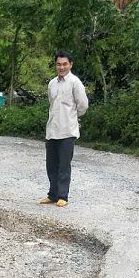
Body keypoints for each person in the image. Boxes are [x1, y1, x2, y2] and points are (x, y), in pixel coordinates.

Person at [40, 51, 89, 208]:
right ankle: (52, 194)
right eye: (59, 64)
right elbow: (51, 103)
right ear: (56, 65)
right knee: (51, 165)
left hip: (67, 130)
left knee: (63, 165)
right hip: (52, 130)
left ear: (70, 64)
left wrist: (74, 117)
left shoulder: (75, 82)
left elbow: (83, 105)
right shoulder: (52, 83)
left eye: (64, 64)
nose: (61, 67)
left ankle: (63, 196)